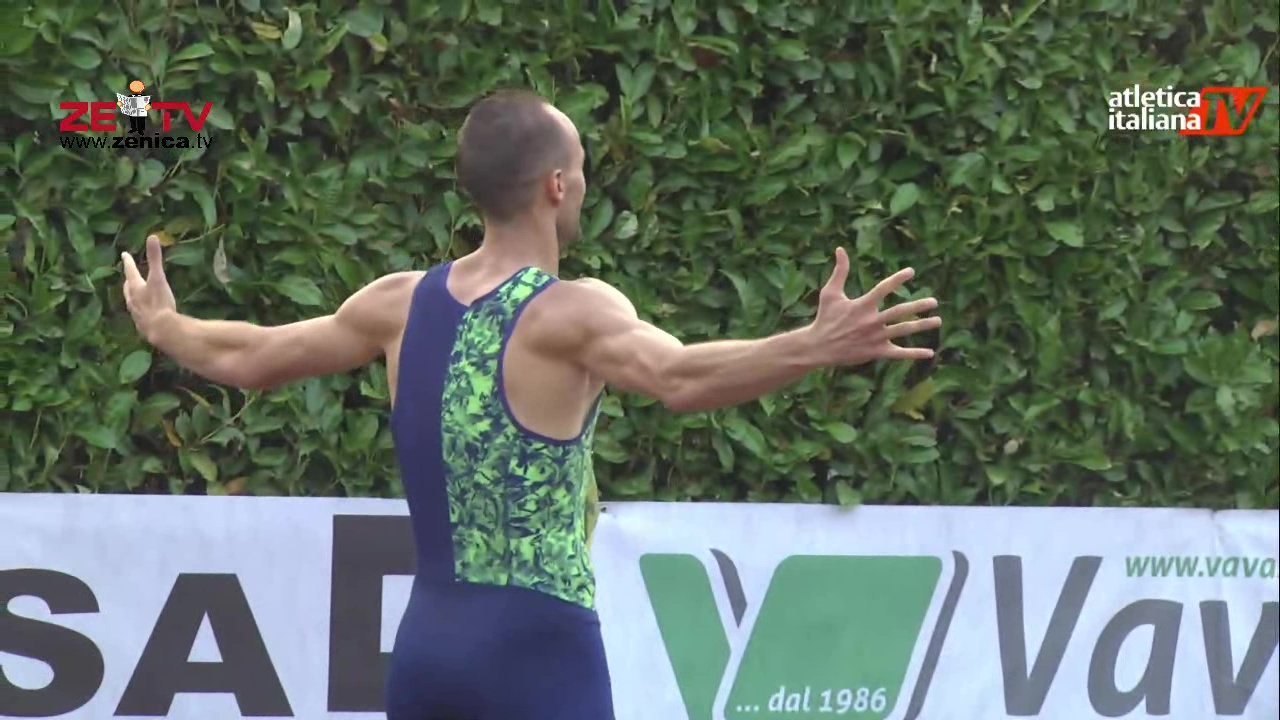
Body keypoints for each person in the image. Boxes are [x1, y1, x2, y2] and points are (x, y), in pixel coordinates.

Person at [119, 89, 941, 720]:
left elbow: (255, 358)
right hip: (538, 652)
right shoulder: (572, 312)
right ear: (556, 185)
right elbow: (680, 378)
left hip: (426, 653)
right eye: (580, 168)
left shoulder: (397, 303)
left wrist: (165, 326)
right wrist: (815, 344)